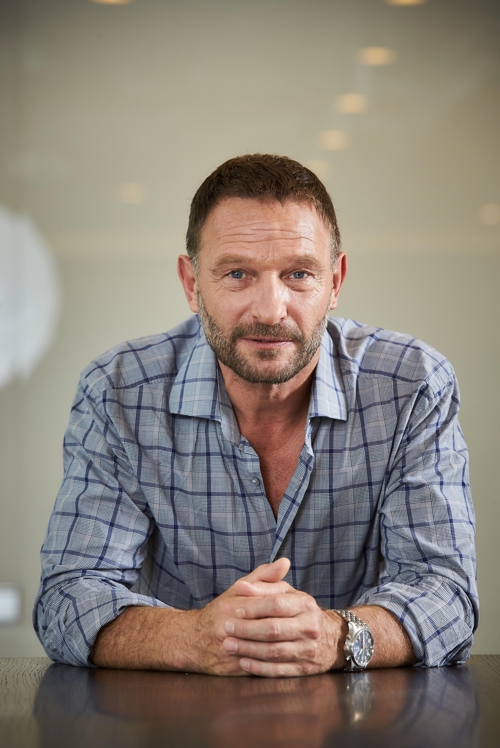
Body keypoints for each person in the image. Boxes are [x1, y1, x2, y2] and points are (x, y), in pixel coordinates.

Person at [34, 154, 478, 677]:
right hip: (178, 713)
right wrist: (195, 638)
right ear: (192, 283)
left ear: (335, 282)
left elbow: (445, 593)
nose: (270, 309)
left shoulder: (411, 384)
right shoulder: (119, 391)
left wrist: (336, 636)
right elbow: (70, 596)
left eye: (299, 274)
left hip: (358, 716)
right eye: (238, 273)